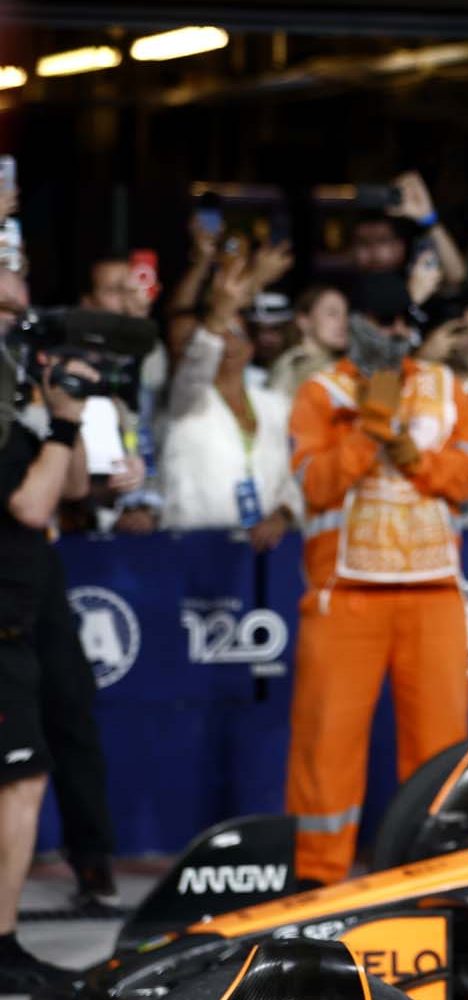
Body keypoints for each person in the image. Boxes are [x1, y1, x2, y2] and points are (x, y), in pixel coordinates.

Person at [285, 311, 468, 884]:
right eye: (378, 320)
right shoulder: (321, 392)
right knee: (327, 742)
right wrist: (370, 421)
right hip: (346, 594)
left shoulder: (449, 390)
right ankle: (315, 878)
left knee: (439, 744)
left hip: (433, 592)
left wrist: (414, 458)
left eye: (399, 322)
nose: (390, 333)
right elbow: (317, 486)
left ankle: (430, 869)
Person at [0, 314, 93, 987]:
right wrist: (58, 425)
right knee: (20, 782)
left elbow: (76, 489)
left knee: (23, 783)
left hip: (17, 630)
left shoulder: (25, 430)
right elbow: (35, 505)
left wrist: (72, 417)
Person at [159, 256, 299, 545]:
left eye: (235, 333)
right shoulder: (188, 400)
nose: (227, 342)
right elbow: (197, 366)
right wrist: (219, 315)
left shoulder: (275, 405)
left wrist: (284, 513)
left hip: (262, 551)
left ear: (250, 344)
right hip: (191, 545)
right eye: (218, 334)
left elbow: (297, 471)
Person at [268, 285, 349, 397]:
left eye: (345, 314)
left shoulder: (345, 368)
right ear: (304, 320)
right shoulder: (289, 365)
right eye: (332, 314)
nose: (343, 322)